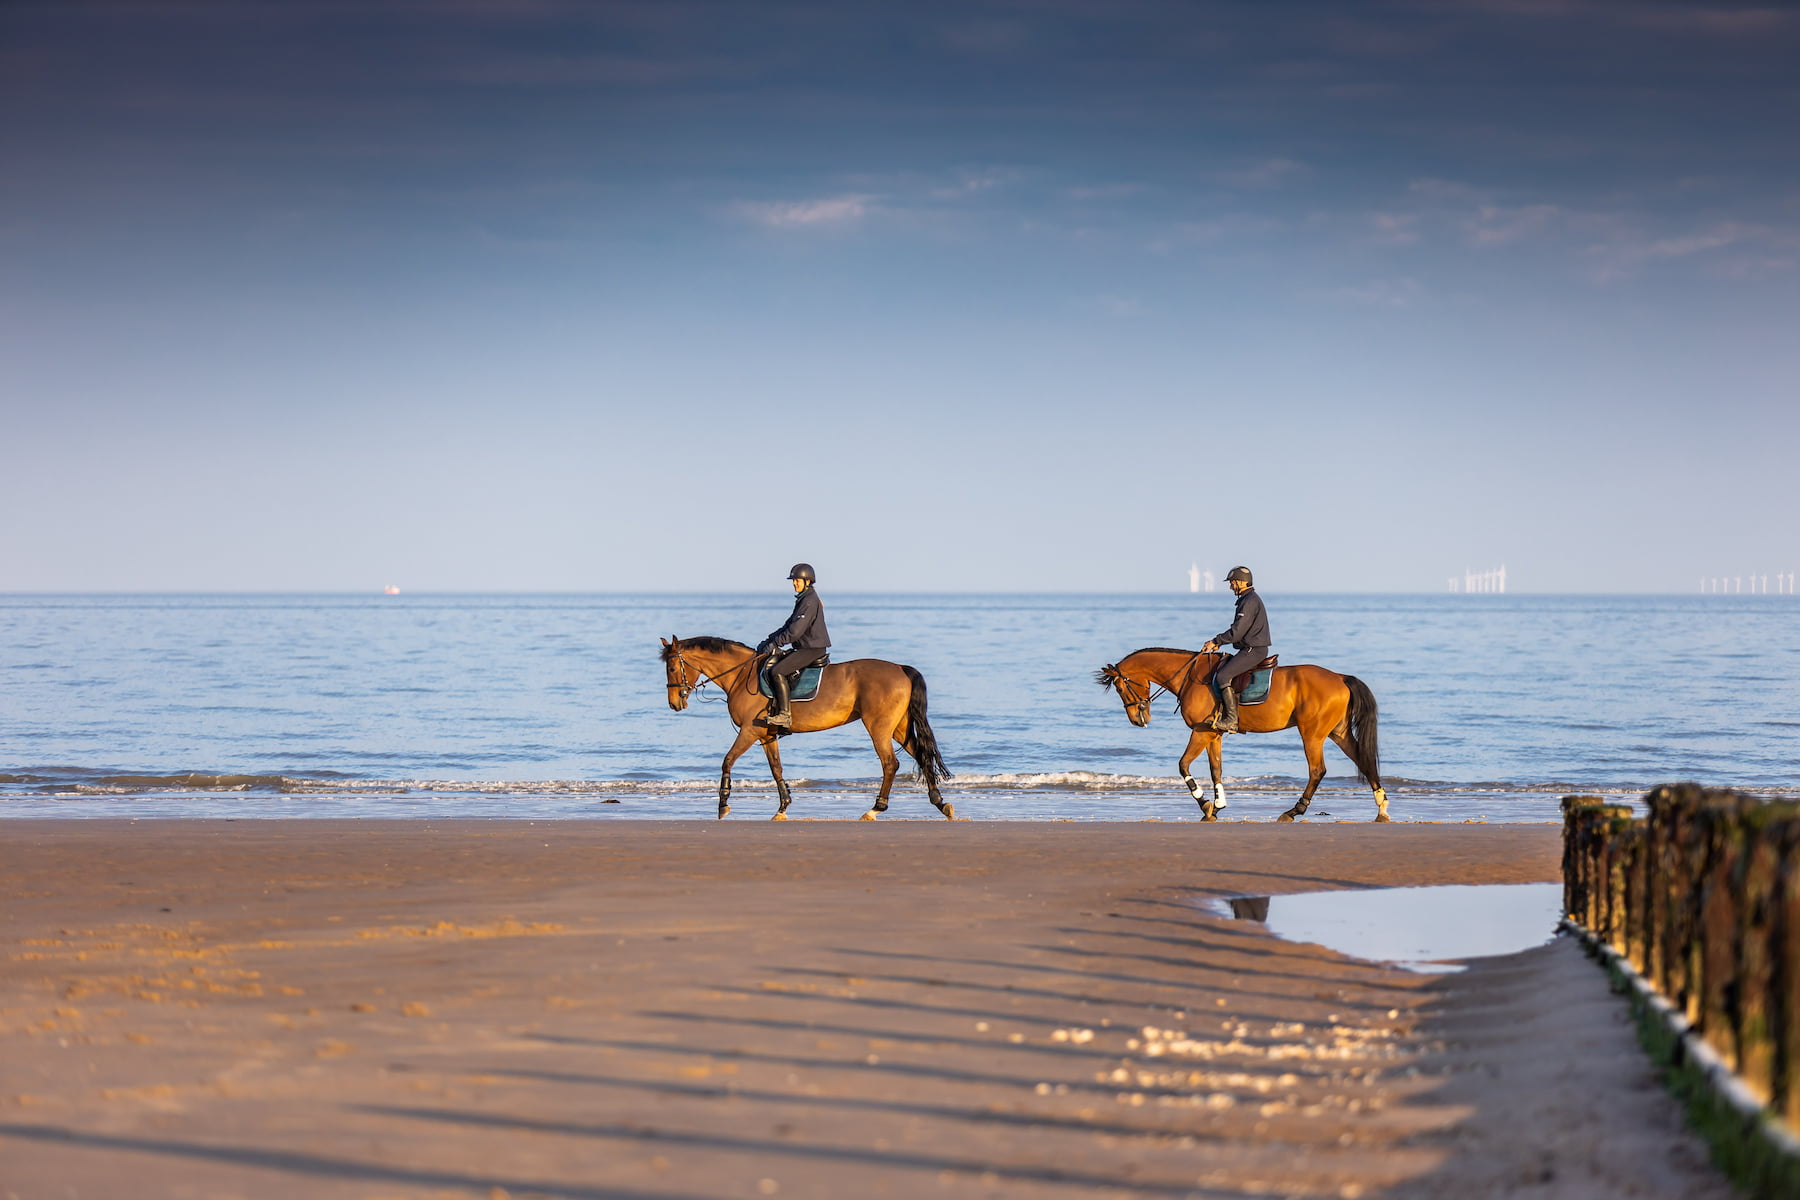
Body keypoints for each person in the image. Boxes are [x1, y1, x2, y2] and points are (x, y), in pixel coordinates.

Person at [756, 563, 831, 728]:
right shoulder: (805, 598)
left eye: (797, 580)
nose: (794, 583)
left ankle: (784, 715)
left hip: (811, 649)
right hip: (805, 647)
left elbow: (795, 632)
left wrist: (776, 643)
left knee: (777, 671)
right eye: (794, 580)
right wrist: (770, 640)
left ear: (808, 581)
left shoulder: (809, 601)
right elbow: (788, 625)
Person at [1201, 565, 1269, 735]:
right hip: (1250, 648)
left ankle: (1231, 720)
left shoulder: (1250, 601)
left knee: (1223, 675)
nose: (1230, 586)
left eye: (1232, 583)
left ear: (1241, 582)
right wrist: (1220, 643)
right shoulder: (1248, 599)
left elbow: (1237, 632)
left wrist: (1216, 641)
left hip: (1254, 650)